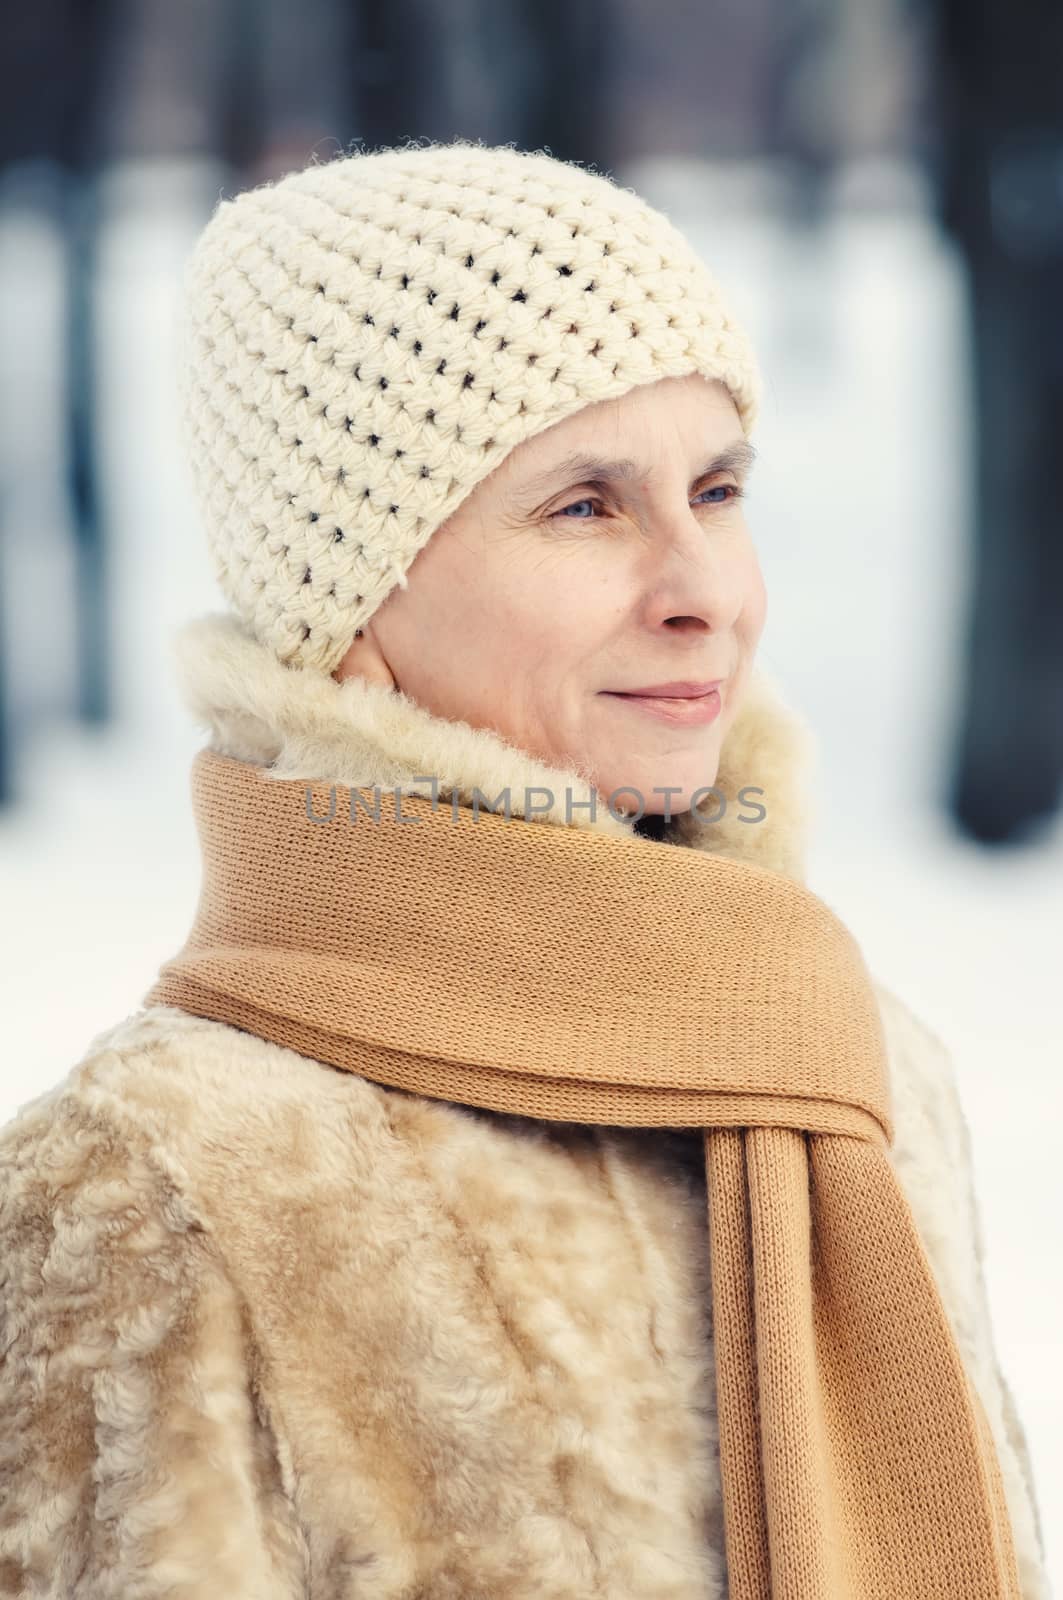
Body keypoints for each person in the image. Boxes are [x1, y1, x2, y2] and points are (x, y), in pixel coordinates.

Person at [0, 139, 1049, 1598]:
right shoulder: (163, 1182)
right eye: (585, 507)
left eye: (720, 488)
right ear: (350, 598)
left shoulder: (860, 1065)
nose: (705, 593)